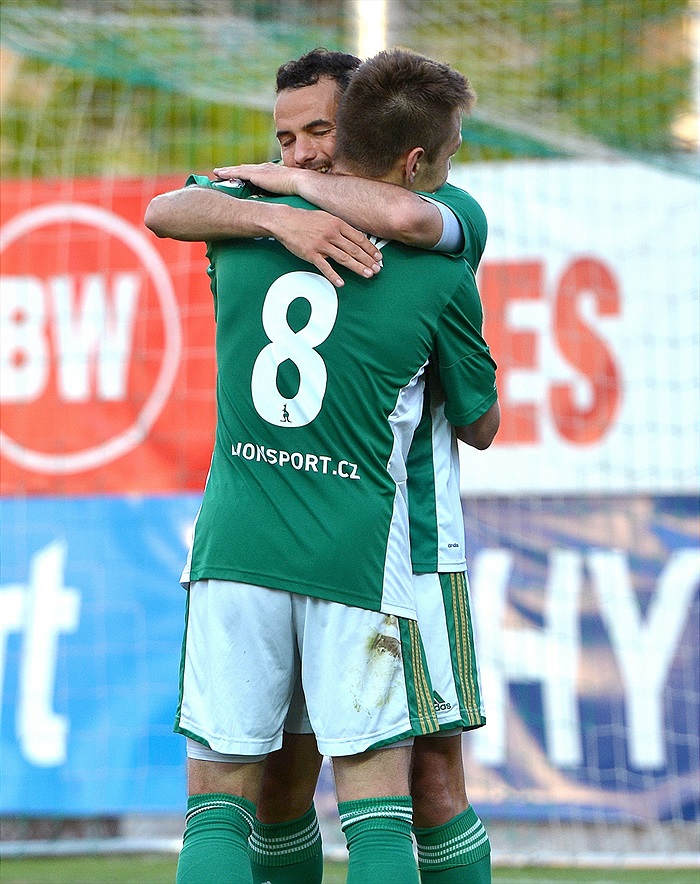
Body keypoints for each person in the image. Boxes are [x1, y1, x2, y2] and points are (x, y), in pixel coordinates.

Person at [147, 48, 495, 884]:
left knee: (412, 786)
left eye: (318, 133)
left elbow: (168, 209)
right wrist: (282, 213)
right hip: (355, 542)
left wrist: (282, 202)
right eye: (284, 139)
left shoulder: (432, 223)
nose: (298, 153)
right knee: (338, 797)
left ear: (364, 129)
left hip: (386, 538)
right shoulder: (415, 260)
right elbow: (482, 420)